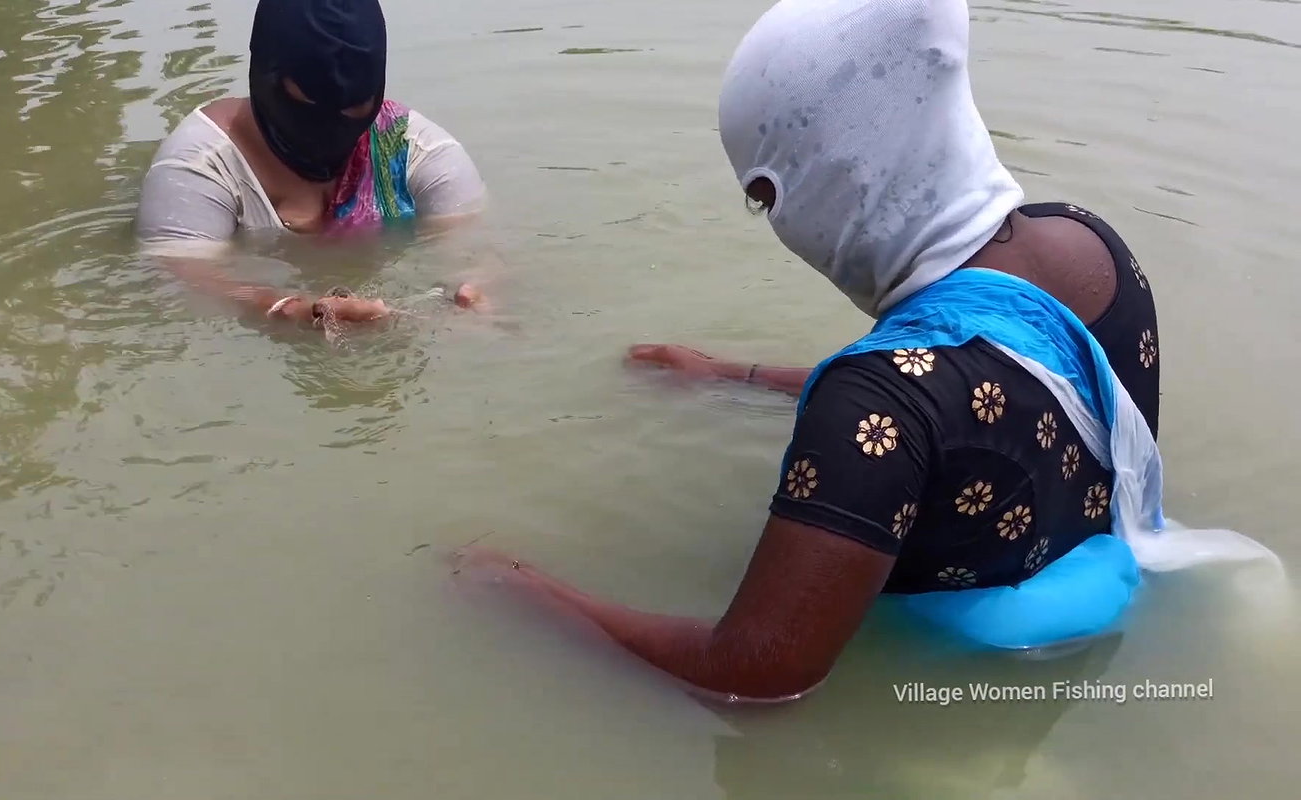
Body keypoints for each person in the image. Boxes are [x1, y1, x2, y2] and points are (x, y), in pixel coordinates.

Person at [458, 0, 1277, 702]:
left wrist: (524, 592)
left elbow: (756, 673)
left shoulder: (876, 404)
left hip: (959, 695)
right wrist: (730, 376)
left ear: (837, 170)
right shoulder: (1087, 246)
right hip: (1099, 605)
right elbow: (972, 383)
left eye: (765, 199)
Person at [135, 0, 489, 332]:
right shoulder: (198, 167)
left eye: (354, 107)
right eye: (306, 103)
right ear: (266, 73)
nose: (330, 125)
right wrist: (283, 309)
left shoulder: (414, 150)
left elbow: (474, 252)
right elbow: (182, 279)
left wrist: (473, 294)